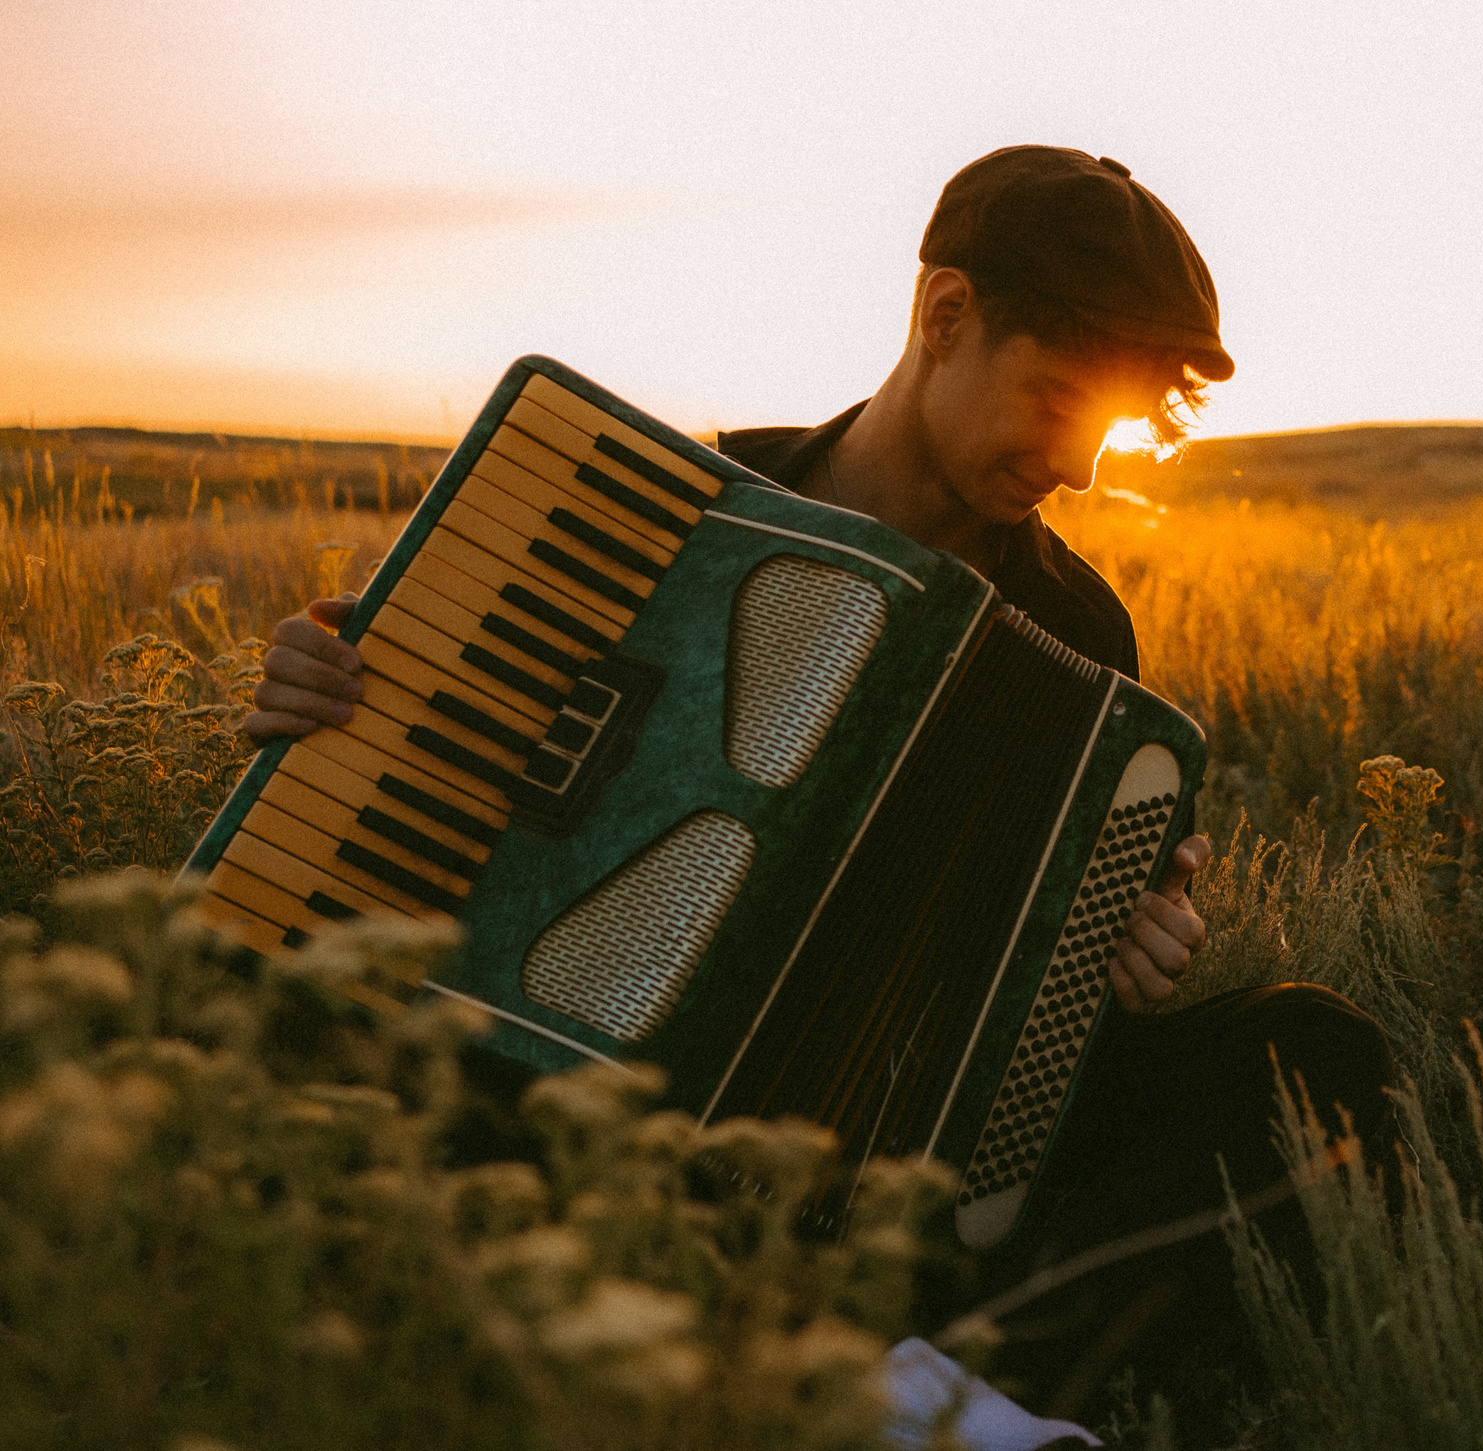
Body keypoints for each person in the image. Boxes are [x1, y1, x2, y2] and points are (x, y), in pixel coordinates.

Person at [241, 145, 1397, 1431]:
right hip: (586, 1093)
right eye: (1060, 399)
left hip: (894, 1144)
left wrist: (1114, 951)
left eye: (1110, 429)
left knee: (1316, 1059)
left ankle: (933, 1385)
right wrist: (332, 708)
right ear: (945, 316)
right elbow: (396, 800)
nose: (1078, 464)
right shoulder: (642, 523)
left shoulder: (1079, 632)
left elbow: (1032, 1014)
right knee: (340, 1113)